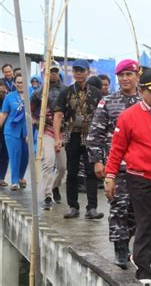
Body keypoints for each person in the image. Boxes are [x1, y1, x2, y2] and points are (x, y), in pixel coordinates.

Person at [104, 67, 151, 285]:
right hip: (139, 177)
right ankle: (145, 271)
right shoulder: (129, 116)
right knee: (145, 222)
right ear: (141, 91)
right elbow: (117, 149)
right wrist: (110, 175)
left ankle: (139, 255)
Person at [86, 59, 141, 269]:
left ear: (137, 75)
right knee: (118, 208)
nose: (125, 79)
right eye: (121, 75)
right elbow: (95, 133)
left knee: (137, 211)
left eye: (129, 74)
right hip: (116, 167)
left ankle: (127, 241)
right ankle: (120, 249)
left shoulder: (144, 101)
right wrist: (97, 161)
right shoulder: (108, 102)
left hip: (141, 167)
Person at [53, 59, 104, 219]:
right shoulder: (66, 92)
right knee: (72, 171)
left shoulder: (96, 93)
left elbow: (102, 116)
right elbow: (58, 115)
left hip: (91, 136)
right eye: (75, 71)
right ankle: (73, 206)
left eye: (81, 70)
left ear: (88, 72)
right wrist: (57, 138)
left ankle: (92, 208)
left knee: (91, 172)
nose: (78, 73)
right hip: (72, 134)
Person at [31, 61, 67, 209]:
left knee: (62, 167)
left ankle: (54, 186)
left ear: (58, 72)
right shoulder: (38, 93)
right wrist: (35, 123)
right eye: (49, 71)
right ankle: (47, 196)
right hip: (46, 130)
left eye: (55, 71)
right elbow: (31, 111)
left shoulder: (66, 90)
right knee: (48, 163)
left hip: (63, 132)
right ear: (44, 73)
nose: (52, 73)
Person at [0, 75, 28, 190]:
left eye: (22, 82)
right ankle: (14, 181)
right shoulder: (9, 97)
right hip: (11, 130)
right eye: (18, 82)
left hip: (27, 132)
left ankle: (20, 177)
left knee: (25, 157)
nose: (20, 84)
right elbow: (4, 114)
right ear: (15, 83)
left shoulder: (32, 95)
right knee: (14, 155)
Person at [0, 81, 9, 187]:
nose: (1, 93)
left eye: (3, 91)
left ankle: (1, 178)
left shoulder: (8, 100)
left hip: (7, 131)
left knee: (5, 155)